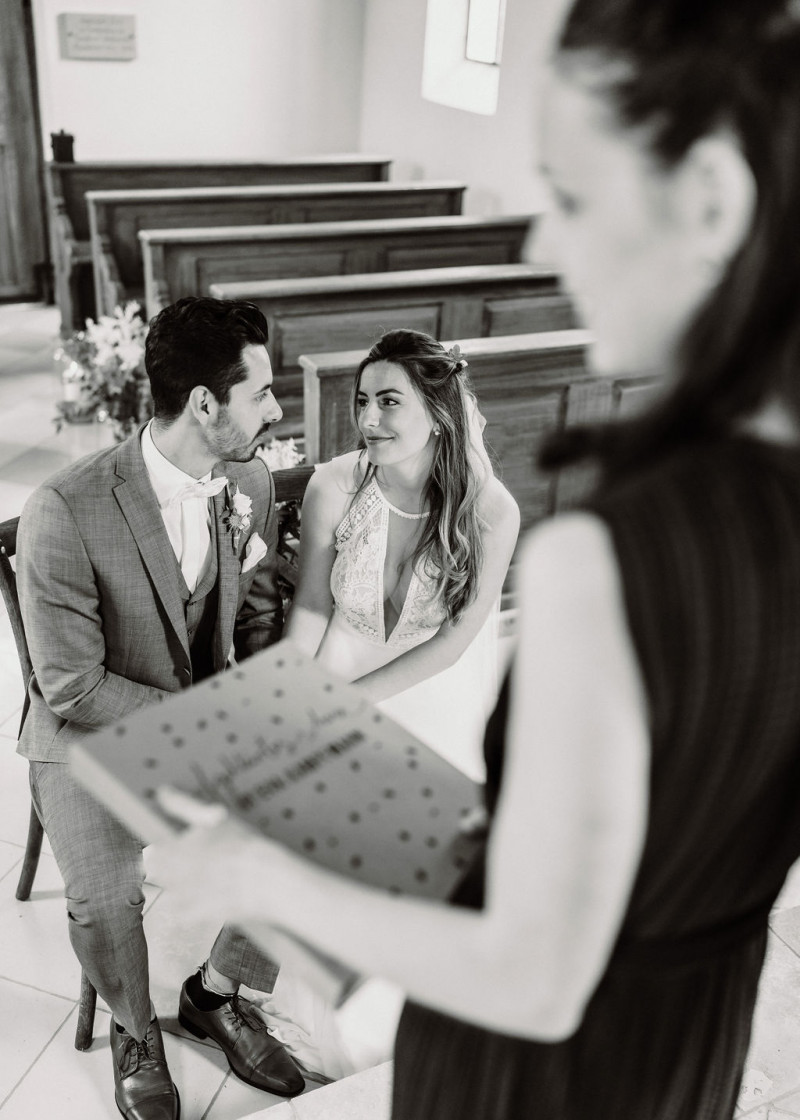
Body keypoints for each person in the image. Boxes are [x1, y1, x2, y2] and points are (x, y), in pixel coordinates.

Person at [147, 0, 800, 1115]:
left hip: (532, 1078)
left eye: (574, 196)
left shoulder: (609, 556)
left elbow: (534, 973)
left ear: (709, 201)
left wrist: (253, 872)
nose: (545, 244)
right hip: (684, 1056)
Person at [17, 297, 305, 1119]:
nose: (277, 409)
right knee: (105, 898)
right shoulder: (65, 509)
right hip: (89, 738)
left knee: (321, 817)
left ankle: (217, 993)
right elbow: (70, 685)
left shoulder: (245, 478)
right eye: (262, 392)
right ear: (206, 404)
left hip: (200, 721)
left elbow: (242, 610)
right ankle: (135, 1031)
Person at [285, 328, 520, 780]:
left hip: (431, 683)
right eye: (361, 401)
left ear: (437, 413)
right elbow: (312, 606)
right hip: (337, 667)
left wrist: (345, 705)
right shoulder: (334, 486)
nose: (368, 420)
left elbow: (452, 644)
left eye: (389, 401)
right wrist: (295, 695)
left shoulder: (492, 513)